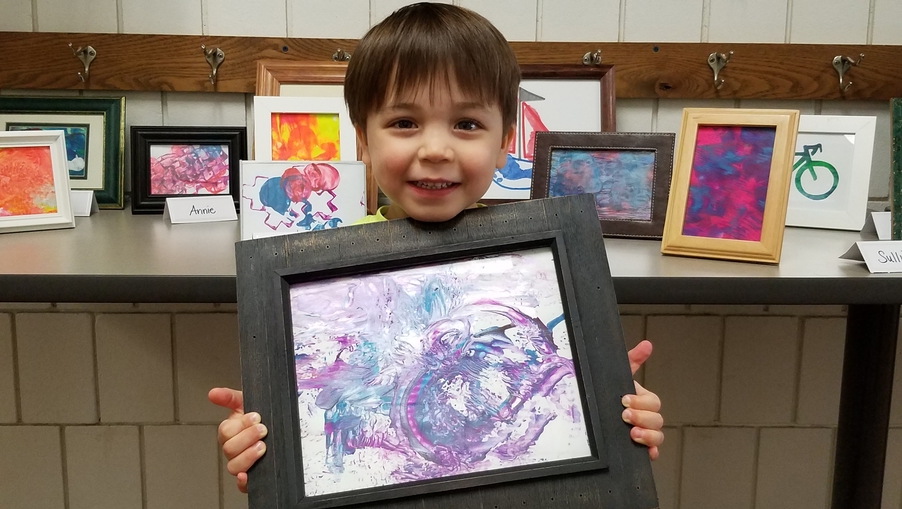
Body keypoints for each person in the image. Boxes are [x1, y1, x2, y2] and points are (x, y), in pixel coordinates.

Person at [210, 2, 664, 493]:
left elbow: (564, 425)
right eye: (404, 123)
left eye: (466, 124)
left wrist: (608, 402)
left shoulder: (542, 266)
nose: (435, 149)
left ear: (505, 140)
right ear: (363, 138)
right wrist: (268, 441)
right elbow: (323, 411)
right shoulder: (323, 279)